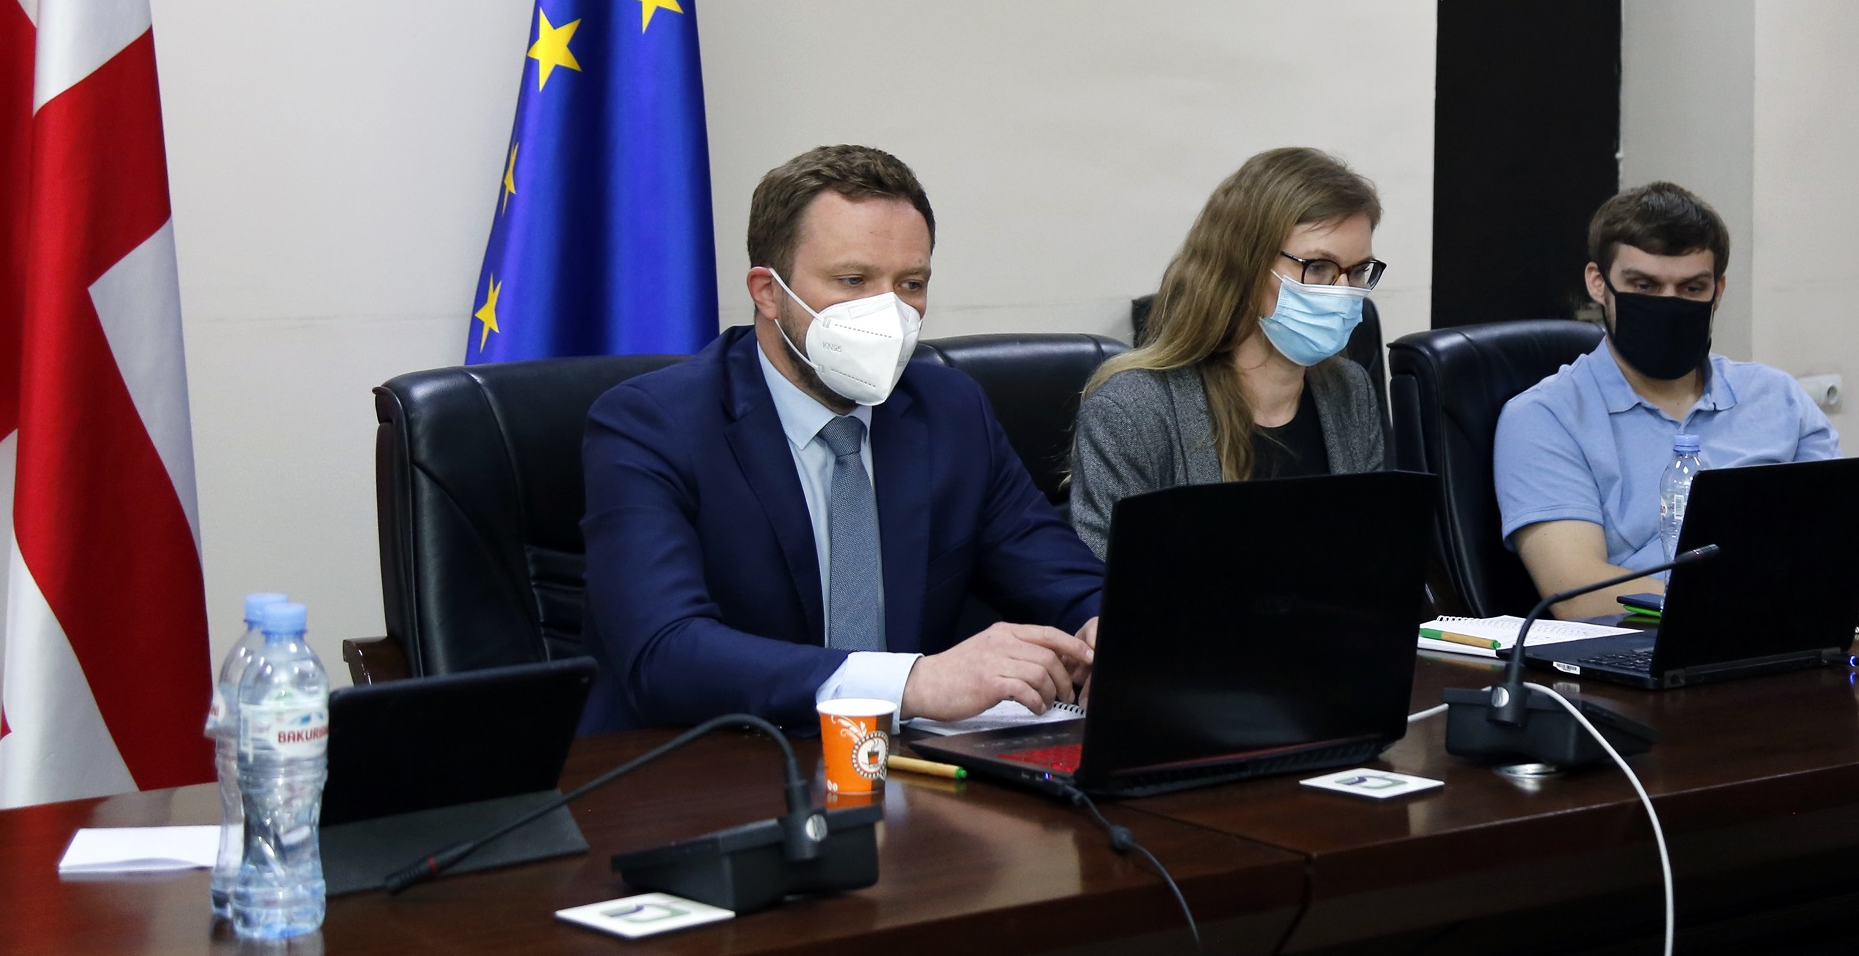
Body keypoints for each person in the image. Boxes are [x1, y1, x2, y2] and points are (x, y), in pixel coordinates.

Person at [579, 145, 1106, 732]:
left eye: (910, 284)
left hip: (911, 767)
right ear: (768, 291)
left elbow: (1062, 578)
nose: (888, 312)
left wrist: (1103, 627)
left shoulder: (951, 411)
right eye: (853, 280)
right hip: (710, 761)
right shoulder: (651, 425)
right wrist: (912, 683)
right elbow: (664, 653)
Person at [1496, 182, 1859, 617]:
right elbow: (1578, 594)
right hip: (1640, 646)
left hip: (1787, 634)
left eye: (1691, 288)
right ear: (1598, 283)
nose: (1668, 305)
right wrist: (1744, 601)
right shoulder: (1545, 417)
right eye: (1645, 286)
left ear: (1717, 291)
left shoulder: (1776, 396)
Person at [1066, 148, 1389, 558]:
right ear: (1245, 266)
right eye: (1319, 267)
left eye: (1358, 271)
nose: (1343, 294)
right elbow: (1108, 584)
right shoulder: (1132, 411)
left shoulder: (1350, 390)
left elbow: (1372, 555)